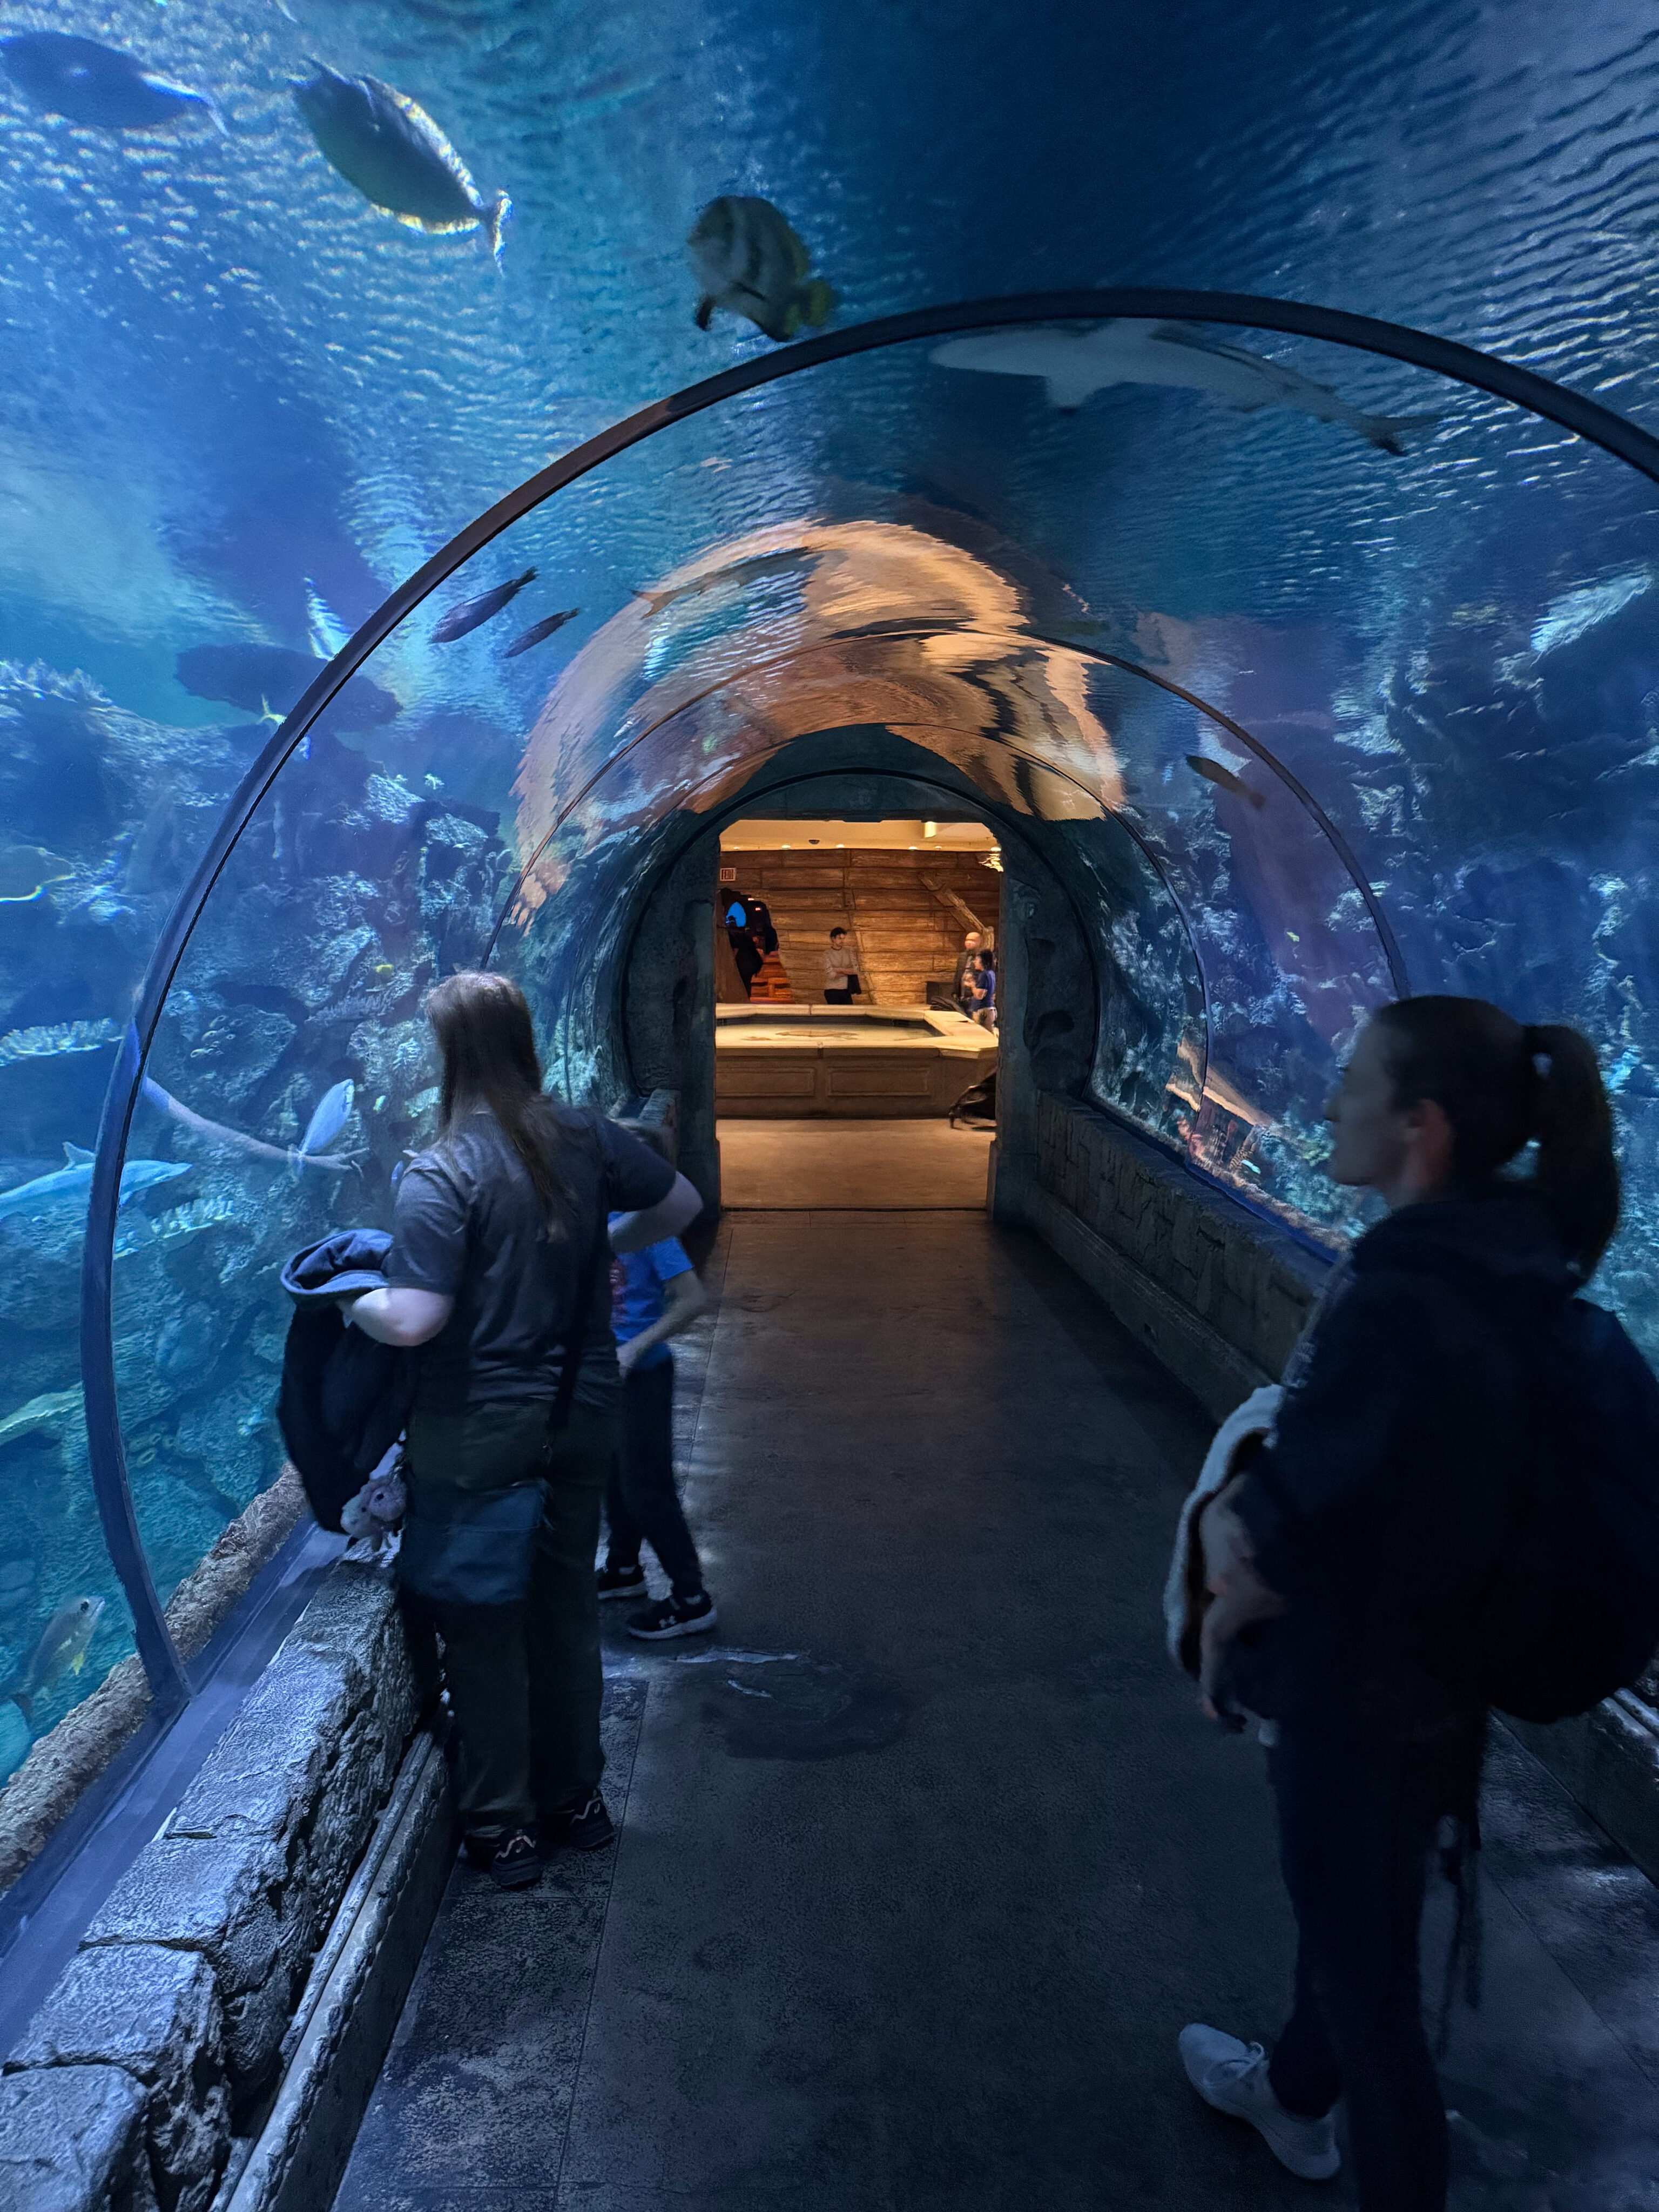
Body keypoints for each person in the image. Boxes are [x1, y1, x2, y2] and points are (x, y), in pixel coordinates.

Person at [1179, 996, 1621, 2210]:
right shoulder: (1519, 1260)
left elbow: (1312, 1505)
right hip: (1445, 1685)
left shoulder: (1402, 1289)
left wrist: (1223, 1595)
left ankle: (1330, 2122)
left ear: (1419, 1124)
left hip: (1352, 1694)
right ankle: (1288, 2094)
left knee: (1377, 2001)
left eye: (1355, 1082)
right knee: (1362, 1922)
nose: (1328, 1104)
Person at [340, 971, 702, 1890]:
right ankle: (577, 1802)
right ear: (523, 1038)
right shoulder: (581, 1135)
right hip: (583, 1413)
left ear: (448, 1053)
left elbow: (417, 1318)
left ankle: (502, 1827)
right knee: (565, 1609)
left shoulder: (441, 1169)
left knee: (485, 1625)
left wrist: (358, 1306)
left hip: (479, 1432)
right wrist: (597, 1246)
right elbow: (680, 1208)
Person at [597, 1124, 718, 1639]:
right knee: (612, 1476)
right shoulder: (597, 1218)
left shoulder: (651, 1229)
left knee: (648, 1490)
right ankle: (624, 1569)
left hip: (643, 1376)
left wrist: (636, 1346)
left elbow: (693, 1299)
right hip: (605, 1373)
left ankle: (692, 1597)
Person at [822, 926, 860, 1003]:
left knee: (849, 1013)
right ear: (833, 939)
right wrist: (848, 971)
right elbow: (831, 975)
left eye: (843, 939)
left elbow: (856, 970)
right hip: (831, 990)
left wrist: (839, 970)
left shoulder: (849, 952)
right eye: (840, 938)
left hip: (846, 990)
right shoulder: (827, 954)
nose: (842, 941)